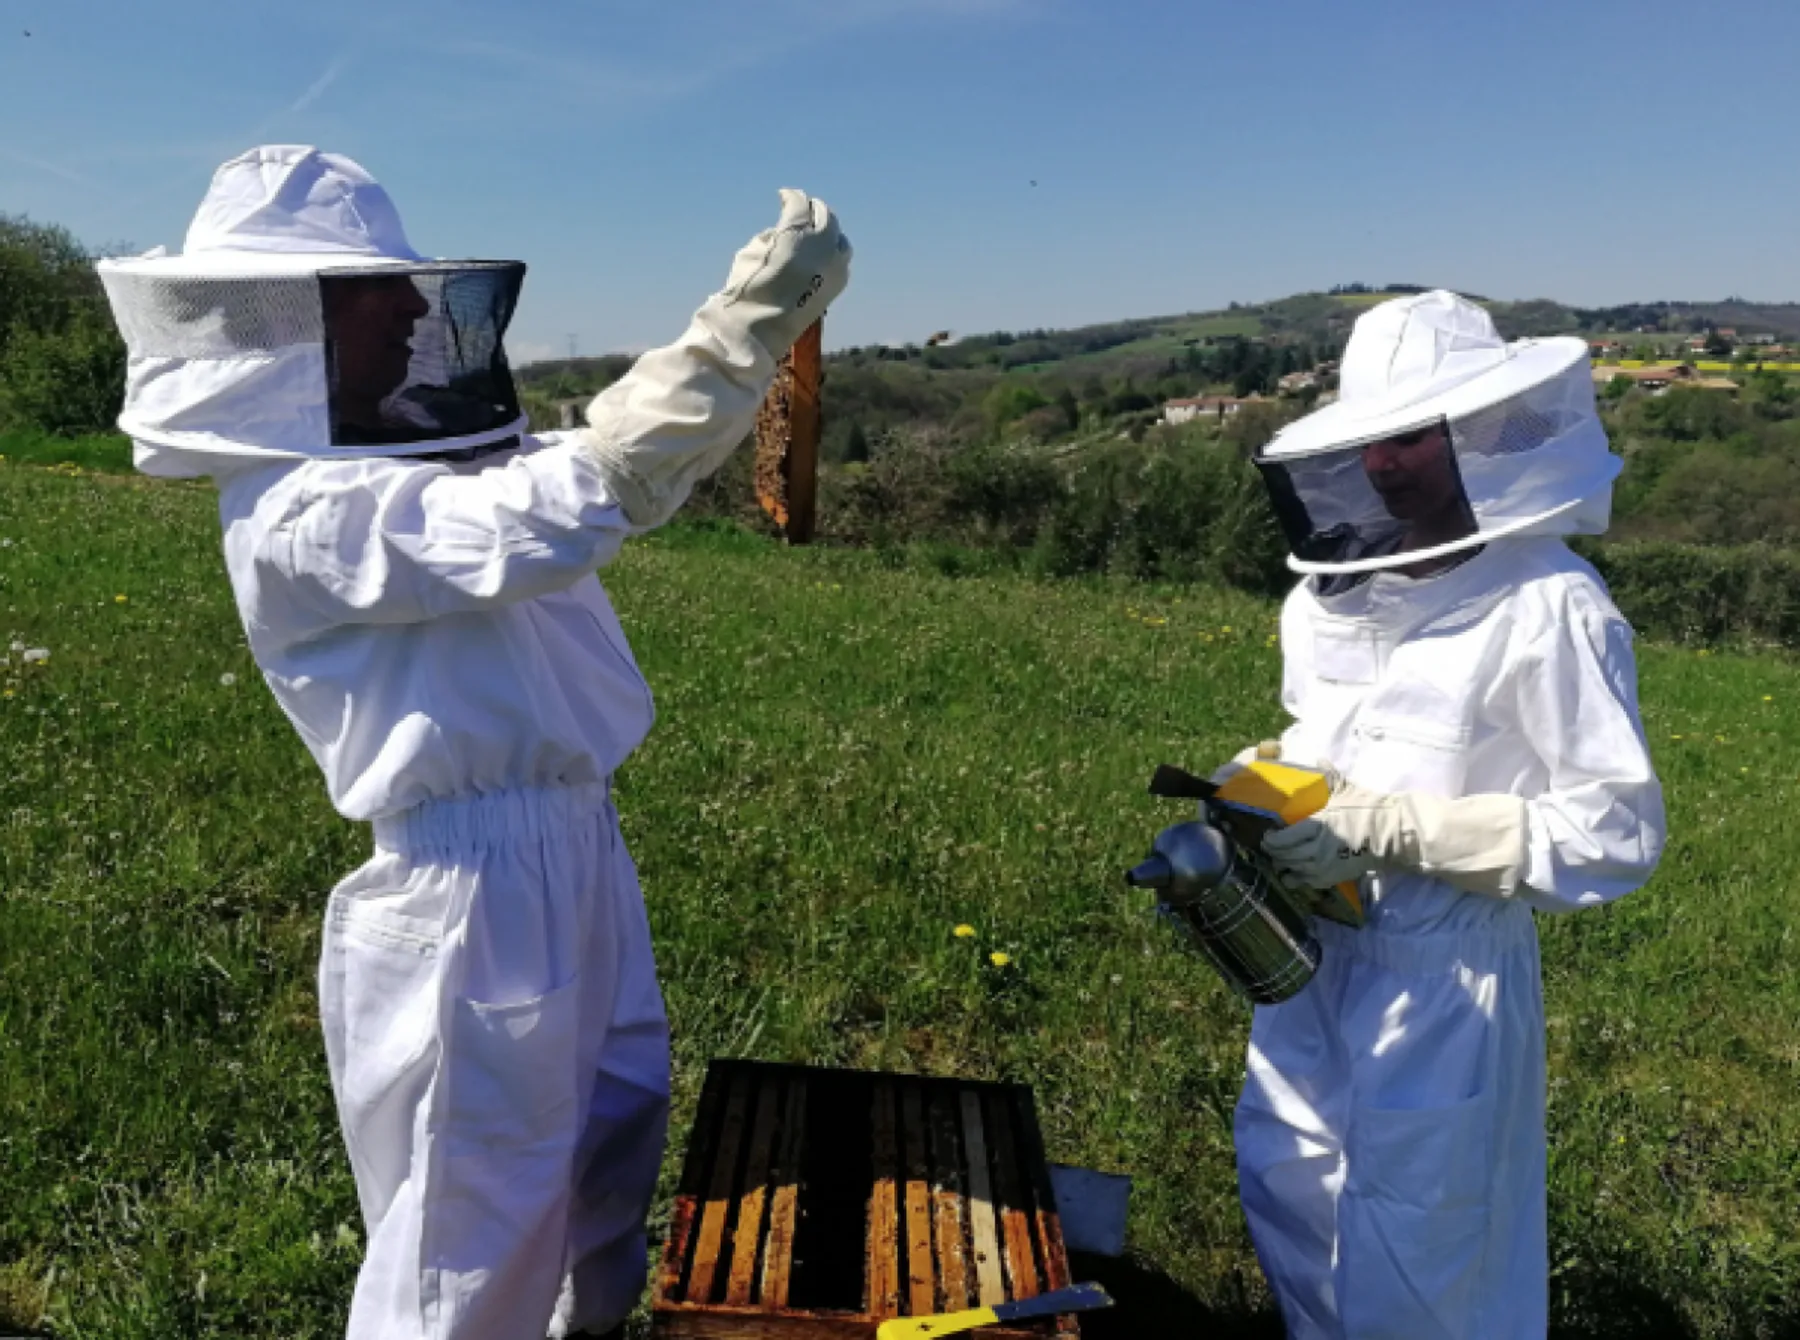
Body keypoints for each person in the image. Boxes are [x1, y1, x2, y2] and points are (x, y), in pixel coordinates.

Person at [98, 144, 851, 1340]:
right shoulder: (302, 517)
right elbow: (575, 499)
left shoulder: (402, 472)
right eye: (369, 292)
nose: (406, 308)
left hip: (574, 849)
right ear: (279, 326)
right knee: (471, 1226)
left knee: (608, 1136)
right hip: (467, 896)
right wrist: (732, 339)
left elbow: (560, 478)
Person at [1229, 290, 1664, 1337]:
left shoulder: (1550, 604)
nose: (1385, 464)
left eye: (1414, 434)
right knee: (1291, 1184)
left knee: (1424, 1248)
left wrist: (1399, 829)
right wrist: (1262, 778)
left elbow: (1616, 834)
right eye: (1372, 438)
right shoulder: (1330, 597)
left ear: (1482, 430)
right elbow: (1327, 738)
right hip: (1314, 955)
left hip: (1448, 986)